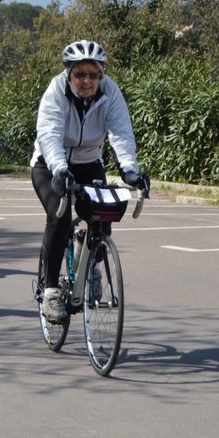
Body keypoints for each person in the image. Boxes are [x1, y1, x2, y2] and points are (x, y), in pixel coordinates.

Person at [31, 39, 146, 325]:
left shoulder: (110, 92)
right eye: (80, 74)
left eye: (93, 74)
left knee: (102, 216)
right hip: (50, 164)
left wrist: (130, 170)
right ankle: (51, 292)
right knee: (59, 215)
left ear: (101, 75)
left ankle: (90, 259)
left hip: (88, 163)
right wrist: (60, 169)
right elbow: (49, 133)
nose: (87, 81)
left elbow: (121, 133)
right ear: (68, 74)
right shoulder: (56, 90)